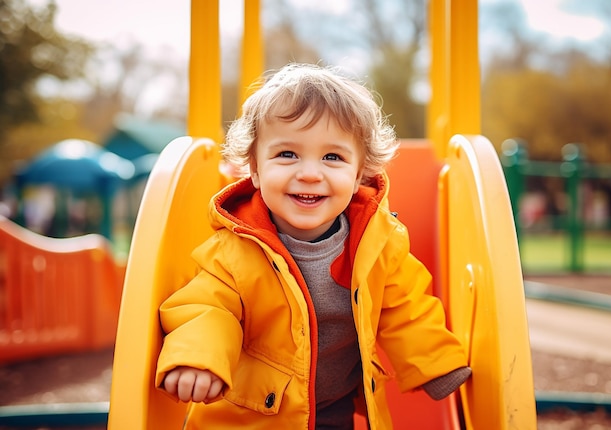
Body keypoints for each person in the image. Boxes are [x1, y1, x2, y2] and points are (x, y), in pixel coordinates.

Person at [155, 63, 471, 429]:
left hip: (335, 409)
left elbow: (406, 307)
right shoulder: (232, 251)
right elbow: (207, 308)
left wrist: (436, 363)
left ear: (358, 175)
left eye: (332, 157)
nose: (309, 173)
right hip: (252, 416)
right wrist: (197, 358)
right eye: (287, 154)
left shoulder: (379, 244)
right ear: (254, 170)